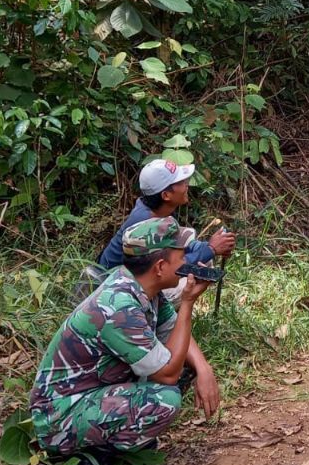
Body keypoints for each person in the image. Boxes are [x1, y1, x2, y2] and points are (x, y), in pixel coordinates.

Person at [30, 218, 217, 465]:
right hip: (59, 414)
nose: (187, 261)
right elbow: (167, 374)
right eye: (181, 255)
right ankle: (87, 463)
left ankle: (113, 439)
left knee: (186, 364)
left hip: (92, 391)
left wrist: (204, 369)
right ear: (160, 267)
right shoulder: (119, 306)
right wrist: (189, 301)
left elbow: (172, 330)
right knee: (165, 398)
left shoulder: (139, 286)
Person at [84, 158, 235, 414]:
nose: (187, 185)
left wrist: (203, 368)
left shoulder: (157, 216)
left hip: (134, 285)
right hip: (110, 290)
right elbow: (167, 375)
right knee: (166, 393)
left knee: (173, 329)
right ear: (166, 194)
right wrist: (209, 250)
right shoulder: (143, 227)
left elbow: (181, 253)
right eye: (181, 183)